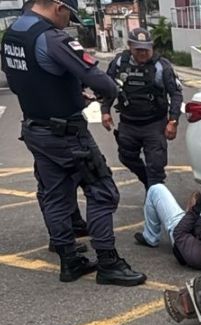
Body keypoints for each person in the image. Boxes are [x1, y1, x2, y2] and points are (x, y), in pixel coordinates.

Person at [1, 0, 146, 285]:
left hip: (35, 127)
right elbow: (103, 82)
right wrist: (105, 96)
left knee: (54, 193)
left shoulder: (13, 34)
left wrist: (69, 92)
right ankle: (108, 262)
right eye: (69, 13)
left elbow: (24, 80)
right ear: (58, 6)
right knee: (102, 191)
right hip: (66, 133)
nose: (68, 21)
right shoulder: (52, 38)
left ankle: (69, 259)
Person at [101, 28, 183, 192]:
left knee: (156, 166)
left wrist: (173, 121)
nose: (143, 52)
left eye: (146, 49)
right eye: (138, 49)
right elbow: (109, 88)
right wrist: (105, 110)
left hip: (154, 124)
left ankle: (154, 195)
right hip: (128, 123)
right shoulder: (119, 63)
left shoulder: (162, 67)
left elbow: (175, 94)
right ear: (130, 46)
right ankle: (149, 183)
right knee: (126, 157)